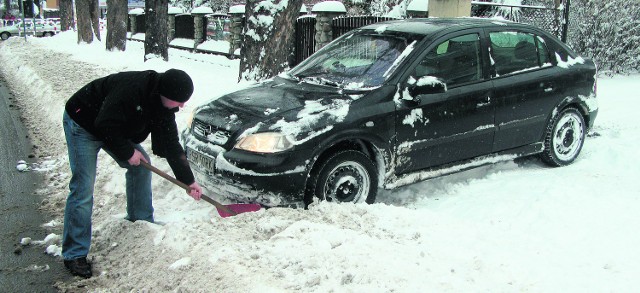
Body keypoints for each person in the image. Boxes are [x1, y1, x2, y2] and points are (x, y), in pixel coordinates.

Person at [61, 69, 203, 278]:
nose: (181, 106)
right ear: (164, 94)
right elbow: (104, 123)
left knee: (141, 168)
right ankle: (74, 254)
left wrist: (188, 181)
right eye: (179, 101)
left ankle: (141, 221)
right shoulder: (132, 90)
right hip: (84, 123)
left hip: (114, 127)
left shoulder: (163, 104)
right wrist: (127, 152)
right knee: (83, 188)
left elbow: (171, 144)